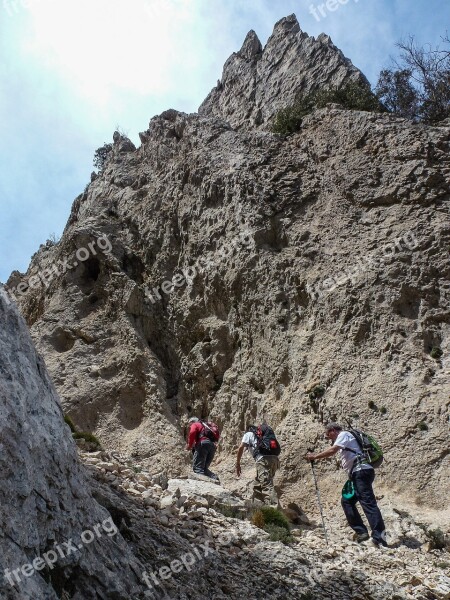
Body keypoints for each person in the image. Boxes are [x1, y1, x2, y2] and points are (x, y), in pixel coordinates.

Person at [305, 422, 387, 547]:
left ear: (333, 430)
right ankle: (362, 532)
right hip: (357, 473)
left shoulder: (343, 434)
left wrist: (315, 456)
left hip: (361, 471)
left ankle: (379, 538)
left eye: (329, 435)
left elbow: (333, 450)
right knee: (347, 501)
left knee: (368, 502)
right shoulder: (345, 437)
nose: (329, 438)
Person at [236, 424, 280, 507]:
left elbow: (241, 447)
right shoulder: (263, 436)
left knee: (266, 485)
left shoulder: (248, 434)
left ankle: (273, 512)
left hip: (263, 460)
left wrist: (237, 463)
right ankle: (259, 509)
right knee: (258, 485)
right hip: (274, 460)